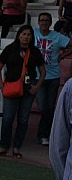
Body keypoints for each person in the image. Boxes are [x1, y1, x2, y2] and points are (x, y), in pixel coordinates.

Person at [0, 24, 46, 158]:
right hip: (12, 86)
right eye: (23, 34)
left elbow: (42, 71)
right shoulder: (10, 49)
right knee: (8, 118)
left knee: (23, 119)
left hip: (28, 88)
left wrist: (37, 86)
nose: (26, 37)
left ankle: (17, 147)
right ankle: (4, 146)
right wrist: (1, 85)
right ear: (18, 35)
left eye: (28, 35)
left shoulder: (34, 51)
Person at [34, 13, 72, 146]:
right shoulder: (33, 33)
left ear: (50, 23)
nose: (44, 22)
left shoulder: (56, 36)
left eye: (46, 20)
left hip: (53, 77)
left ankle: (44, 135)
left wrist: (63, 55)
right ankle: (43, 133)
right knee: (43, 107)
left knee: (49, 108)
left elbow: (70, 44)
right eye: (42, 20)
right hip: (37, 77)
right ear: (38, 22)